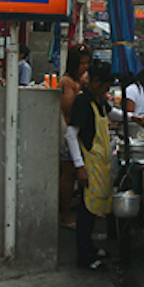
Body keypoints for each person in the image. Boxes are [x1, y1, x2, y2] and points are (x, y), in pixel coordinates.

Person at [65, 61, 144, 270]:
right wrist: (79, 167)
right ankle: (84, 257)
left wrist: (134, 118)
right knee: (86, 211)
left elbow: (112, 114)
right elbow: (71, 134)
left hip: (100, 163)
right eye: (106, 86)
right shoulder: (83, 101)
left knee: (95, 208)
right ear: (96, 82)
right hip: (89, 163)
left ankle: (90, 248)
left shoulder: (97, 98)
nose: (107, 91)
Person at [58, 43, 92, 230]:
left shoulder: (78, 80)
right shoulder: (67, 82)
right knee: (69, 174)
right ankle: (65, 215)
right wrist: (82, 86)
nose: (85, 67)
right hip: (68, 133)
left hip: (81, 133)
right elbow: (68, 107)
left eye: (87, 63)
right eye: (81, 63)